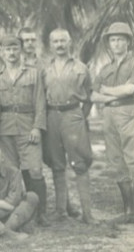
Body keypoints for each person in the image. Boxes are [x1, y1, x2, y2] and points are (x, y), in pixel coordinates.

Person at [0, 35, 50, 226]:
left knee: (34, 170)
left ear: (21, 50)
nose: (11, 53)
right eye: (7, 49)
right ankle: (18, 212)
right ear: (1, 52)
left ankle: (41, 213)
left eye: (15, 48)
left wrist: (37, 127)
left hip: (27, 127)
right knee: (11, 172)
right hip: (5, 130)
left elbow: (40, 102)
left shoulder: (33, 73)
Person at [41, 29, 97, 224]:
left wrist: (81, 116)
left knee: (80, 164)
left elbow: (90, 96)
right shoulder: (44, 69)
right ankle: (61, 211)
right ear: (50, 44)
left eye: (63, 41)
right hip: (52, 116)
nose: (59, 45)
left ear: (69, 42)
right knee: (57, 165)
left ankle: (87, 213)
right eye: (55, 41)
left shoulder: (81, 67)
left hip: (73, 115)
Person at [91, 22, 134, 229]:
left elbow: (130, 90)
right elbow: (93, 94)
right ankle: (129, 210)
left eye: (121, 39)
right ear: (108, 44)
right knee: (116, 161)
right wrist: (110, 95)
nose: (117, 43)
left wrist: (107, 92)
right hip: (109, 116)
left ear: (128, 42)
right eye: (113, 39)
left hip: (130, 111)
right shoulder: (105, 68)